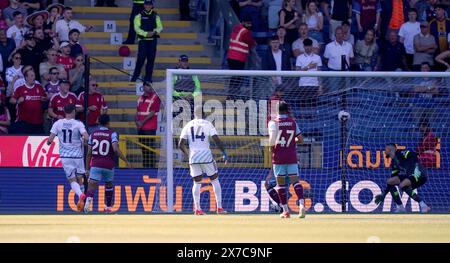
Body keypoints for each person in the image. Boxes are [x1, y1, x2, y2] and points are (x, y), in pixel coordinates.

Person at [179, 106, 228, 215]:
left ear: (194, 115)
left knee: (197, 182)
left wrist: (189, 154)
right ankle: (219, 208)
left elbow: (180, 144)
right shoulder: (208, 124)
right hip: (206, 155)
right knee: (215, 180)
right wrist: (224, 153)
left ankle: (197, 209)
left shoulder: (188, 125)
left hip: (194, 157)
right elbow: (217, 140)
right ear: (204, 114)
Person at [83, 114, 131, 213]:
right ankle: (108, 207)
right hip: (108, 164)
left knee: (91, 186)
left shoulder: (93, 134)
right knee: (108, 185)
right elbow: (116, 150)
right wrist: (126, 161)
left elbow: (88, 153)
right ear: (108, 123)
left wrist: (87, 168)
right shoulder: (112, 134)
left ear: (98, 122)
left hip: (96, 164)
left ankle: (87, 205)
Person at [47, 103, 89, 212]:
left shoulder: (58, 123)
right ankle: (83, 201)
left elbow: (50, 139)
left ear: (64, 111)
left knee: (71, 179)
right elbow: (86, 137)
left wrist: (49, 142)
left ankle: (80, 195)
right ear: (74, 111)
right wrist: (84, 141)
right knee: (80, 179)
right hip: (78, 156)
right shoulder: (78, 123)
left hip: (66, 156)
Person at [268, 101, 305, 218]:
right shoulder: (293, 122)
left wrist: (271, 149)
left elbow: (272, 140)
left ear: (276, 111)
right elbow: (301, 139)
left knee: (281, 185)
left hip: (279, 157)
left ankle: (286, 211)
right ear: (287, 110)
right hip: (291, 156)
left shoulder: (273, 122)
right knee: (296, 181)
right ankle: (302, 206)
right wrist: (291, 142)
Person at [374, 143, 431, 213]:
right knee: (390, 181)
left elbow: (413, 155)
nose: (384, 151)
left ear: (390, 149)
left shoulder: (401, 153)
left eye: (385, 149)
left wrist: (414, 167)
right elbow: (393, 178)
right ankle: (400, 207)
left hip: (418, 172)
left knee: (402, 185)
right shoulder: (394, 163)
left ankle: (423, 205)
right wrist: (384, 194)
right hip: (410, 175)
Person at [130, 0, 163, 83]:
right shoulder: (139, 16)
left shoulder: (156, 16)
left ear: (152, 6)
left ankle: (148, 78)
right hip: (143, 41)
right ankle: (135, 76)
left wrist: (154, 32)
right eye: (146, 5)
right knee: (140, 59)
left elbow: (160, 27)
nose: (148, 6)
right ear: (144, 5)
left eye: (149, 5)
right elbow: (136, 28)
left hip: (152, 41)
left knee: (151, 60)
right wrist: (145, 34)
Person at [226, 15, 256, 100]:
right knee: (237, 79)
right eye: (248, 23)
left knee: (233, 78)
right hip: (238, 58)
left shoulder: (236, 28)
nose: (249, 25)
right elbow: (251, 42)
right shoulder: (245, 32)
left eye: (250, 23)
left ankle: (231, 95)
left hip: (231, 57)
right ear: (243, 22)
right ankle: (232, 96)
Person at [9, 68, 47, 135]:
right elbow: (11, 100)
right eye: (32, 76)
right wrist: (18, 101)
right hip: (25, 123)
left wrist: (44, 98)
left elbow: (45, 97)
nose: (34, 78)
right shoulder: (20, 88)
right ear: (26, 77)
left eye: (34, 76)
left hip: (38, 123)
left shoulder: (39, 87)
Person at [135, 82, 160, 168]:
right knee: (143, 149)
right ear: (144, 87)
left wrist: (141, 122)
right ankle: (145, 167)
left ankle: (151, 168)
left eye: (151, 85)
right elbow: (137, 111)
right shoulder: (140, 98)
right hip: (141, 128)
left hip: (150, 128)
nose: (150, 87)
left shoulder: (155, 97)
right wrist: (137, 121)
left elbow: (152, 112)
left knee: (150, 149)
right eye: (148, 85)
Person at [295, 38, 322, 106]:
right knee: (303, 106)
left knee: (314, 106)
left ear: (312, 46)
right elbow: (297, 72)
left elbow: (320, 73)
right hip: (303, 85)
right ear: (303, 46)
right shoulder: (299, 58)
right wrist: (308, 66)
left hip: (314, 85)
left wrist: (320, 86)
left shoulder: (317, 57)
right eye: (306, 46)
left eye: (309, 46)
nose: (308, 47)